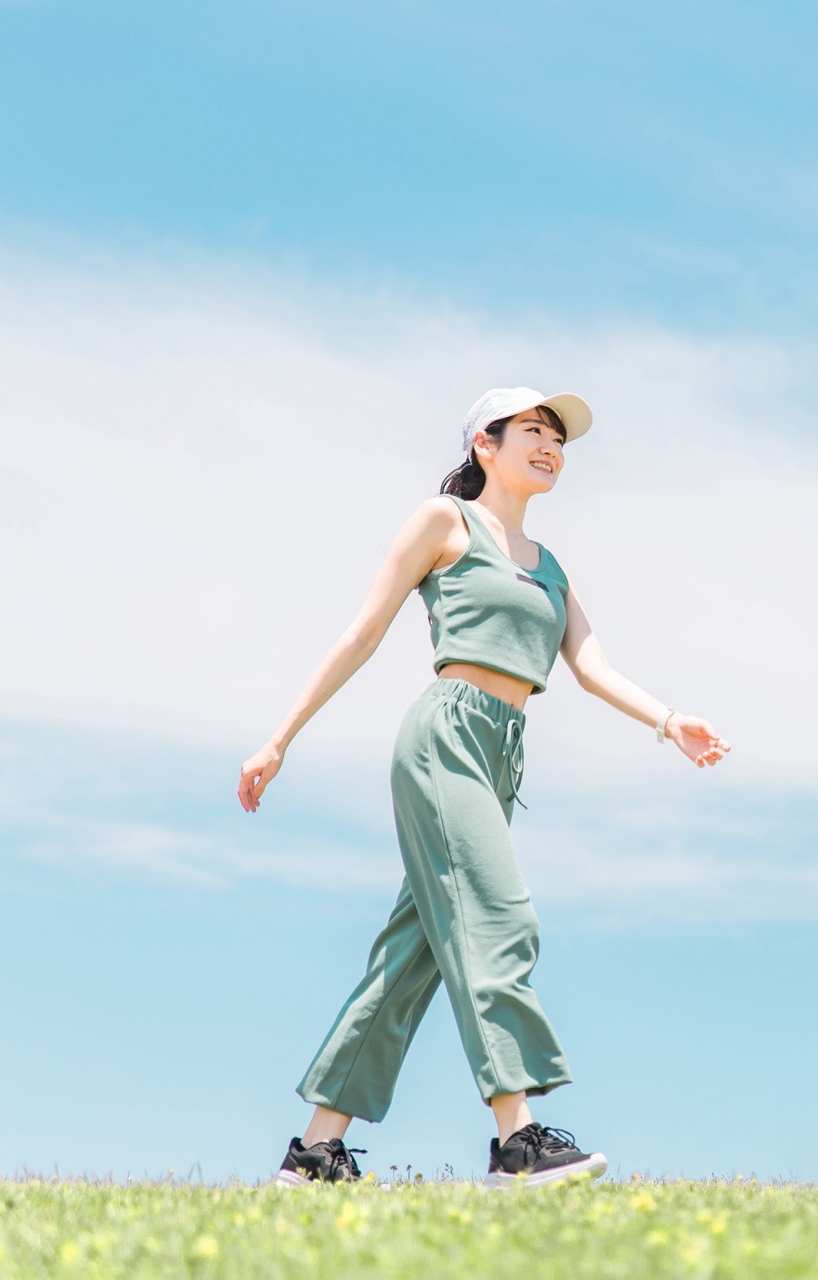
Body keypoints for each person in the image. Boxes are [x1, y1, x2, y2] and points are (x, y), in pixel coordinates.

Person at [236, 386, 732, 1189]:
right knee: (498, 917)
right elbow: (363, 632)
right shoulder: (446, 524)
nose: (550, 447)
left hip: (502, 751)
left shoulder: (552, 568)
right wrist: (279, 737)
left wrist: (669, 720)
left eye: (558, 439)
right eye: (533, 431)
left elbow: (591, 665)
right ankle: (518, 1140)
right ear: (484, 445)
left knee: (416, 953)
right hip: (446, 736)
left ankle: (316, 1152)